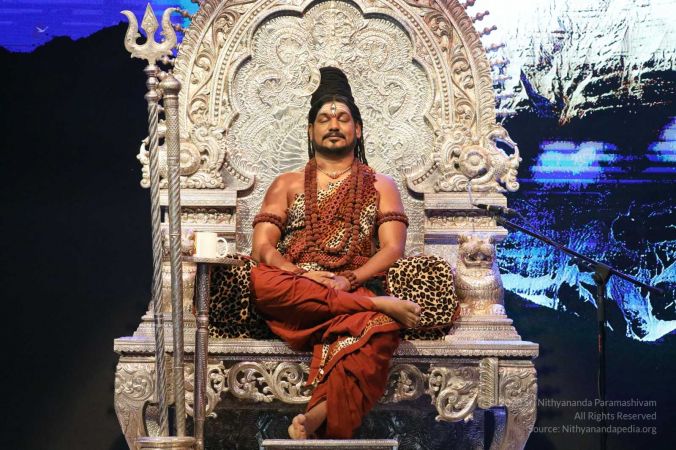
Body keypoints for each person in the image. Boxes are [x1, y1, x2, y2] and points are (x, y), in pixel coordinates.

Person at [250, 67, 420, 440]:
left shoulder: (381, 185)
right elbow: (261, 247)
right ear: (310, 130)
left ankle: (317, 416)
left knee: (381, 331)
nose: (333, 125)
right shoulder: (287, 183)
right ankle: (374, 306)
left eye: (342, 118)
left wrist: (349, 280)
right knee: (262, 282)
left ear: (358, 129)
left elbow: (393, 247)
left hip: (352, 283)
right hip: (299, 290)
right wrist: (299, 273)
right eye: (324, 119)